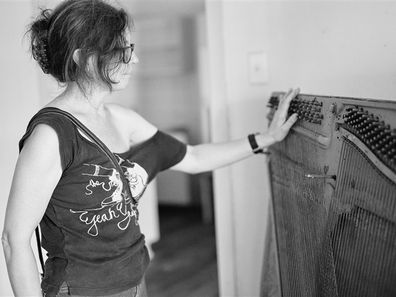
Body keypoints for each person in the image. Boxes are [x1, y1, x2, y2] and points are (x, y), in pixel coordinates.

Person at [1, 0, 299, 296]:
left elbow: (193, 157)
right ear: (85, 58)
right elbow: (14, 240)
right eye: (125, 51)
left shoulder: (121, 119)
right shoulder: (51, 135)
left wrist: (265, 138)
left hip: (135, 280)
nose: (135, 59)